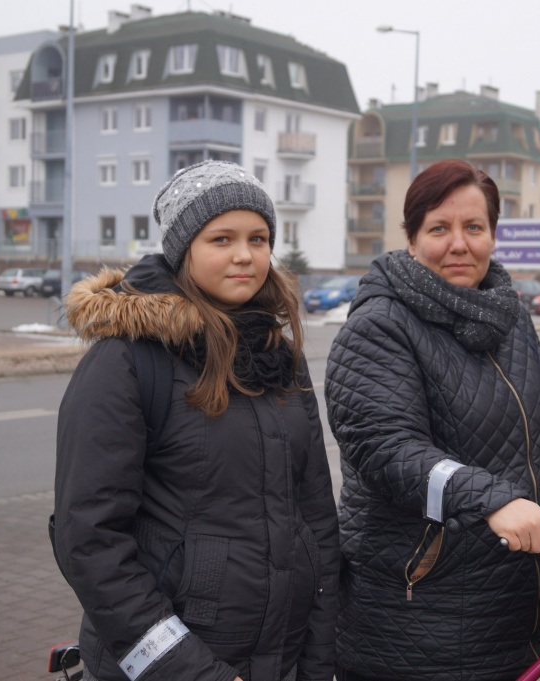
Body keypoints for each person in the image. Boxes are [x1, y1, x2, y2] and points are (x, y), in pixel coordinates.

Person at [53, 160, 339, 681]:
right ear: (183, 250)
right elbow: (89, 540)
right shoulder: (127, 359)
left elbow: (316, 518)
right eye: (221, 238)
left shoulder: (281, 356)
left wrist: (319, 660)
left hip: (280, 656)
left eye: (258, 238)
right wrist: (190, 672)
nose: (244, 256)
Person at [324, 159, 540, 681]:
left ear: (493, 235)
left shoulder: (509, 315)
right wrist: (492, 498)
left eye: (474, 227)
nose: (459, 244)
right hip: (421, 620)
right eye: (439, 229)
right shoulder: (380, 325)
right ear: (410, 239)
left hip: (516, 609)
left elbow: (528, 422)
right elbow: (387, 451)